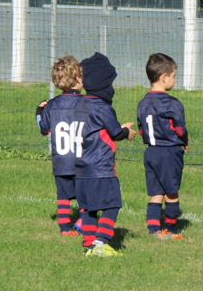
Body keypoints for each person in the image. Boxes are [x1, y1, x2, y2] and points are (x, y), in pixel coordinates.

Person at [74, 52, 136, 257]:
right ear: (103, 84)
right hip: (101, 167)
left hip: (81, 168)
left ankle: (89, 245)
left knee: (89, 208)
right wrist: (126, 132)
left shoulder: (79, 104)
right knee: (112, 204)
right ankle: (101, 242)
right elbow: (116, 132)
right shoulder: (103, 107)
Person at [137, 53, 189, 240]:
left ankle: (153, 230)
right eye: (174, 75)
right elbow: (180, 129)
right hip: (169, 151)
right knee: (172, 192)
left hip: (151, 151)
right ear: (164, 77)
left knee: (156, 192)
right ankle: (170, 228)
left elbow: (142, 130)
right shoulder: (172, 103)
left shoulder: (142, 102)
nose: (175, 79)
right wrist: (184, 142)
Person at [36, 54, 85, 236]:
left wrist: (39, 110)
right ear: (78, 78)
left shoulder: (52, 105)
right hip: (82, 160)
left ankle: (64, 228)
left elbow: (43, 129)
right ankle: (82, 222)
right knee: (84, 195)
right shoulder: (87, 103)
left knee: (63, 196)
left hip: (61, 161)